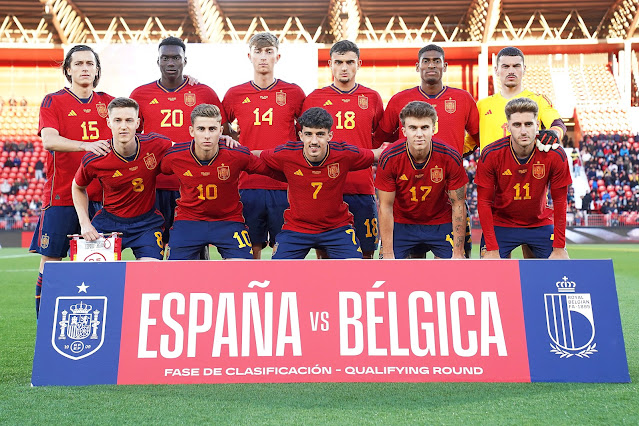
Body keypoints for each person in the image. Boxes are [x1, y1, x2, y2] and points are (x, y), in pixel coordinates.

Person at [29, 45, 114, 317]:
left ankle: (100, 322)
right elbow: (49, 140)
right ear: (68, 69)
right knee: (51, 261)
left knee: (99, 265)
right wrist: (86, 146)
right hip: (61, 195)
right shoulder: (53, 101)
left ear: (97, 70)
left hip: (101, 197)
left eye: (90, 63)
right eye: (78, 64)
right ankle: (44, 323)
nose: (85, 68)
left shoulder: (110, 103)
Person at [374, 43, 478, 257]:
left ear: (445, 66)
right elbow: (383, 135)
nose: (431, 65)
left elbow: (478, 137)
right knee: (407, 270)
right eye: (426, 61)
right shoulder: (399, 100)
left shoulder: (463, 98)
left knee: (458, 265)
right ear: (417, 66)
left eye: (436, 61)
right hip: (408, 192)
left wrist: (460, 152)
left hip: (446, 192)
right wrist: (398, 153)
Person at [130, 36, 227, 255]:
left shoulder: (204, 93)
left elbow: (223, 131)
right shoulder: (140, 95)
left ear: (185, 61)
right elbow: (131, 139)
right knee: (154, 248)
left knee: (196, 248)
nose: (171, 62)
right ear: (158, 62)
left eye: (176, 57)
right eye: (165, 58)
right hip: (154, 184)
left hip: (194, 185)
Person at [256, 107, 383, 259]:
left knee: (354, 270)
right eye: (309, 134)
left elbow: (377, 155)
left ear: (330, 135)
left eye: (320, 134)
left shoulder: (343, 153)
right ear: (300, 135)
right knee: (278, 274)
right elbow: (254, 155)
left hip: (336, 228)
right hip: (297, 229)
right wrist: (224, 144)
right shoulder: (286, 154)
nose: (314, 141)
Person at [160, 104, 284, 260]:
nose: (207, 135)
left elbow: (270, 171)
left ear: (220, 130)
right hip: (188, 221)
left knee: (242, 270)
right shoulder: (175, 156)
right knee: (174, 273)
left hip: (228, 222)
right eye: (201, 129)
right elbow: (156, 169)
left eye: (212, 129)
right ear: (192, 131)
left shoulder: (236, 154)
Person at [222, 32, 305, 259]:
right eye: (258, 52)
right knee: (251, 250)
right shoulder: (235, 94)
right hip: (248, 183)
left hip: (285, 183)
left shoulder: (294, 93)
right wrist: (231, 138)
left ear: (277, 56)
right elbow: (217, 124)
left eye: (268, 52)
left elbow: (308, 131)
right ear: (249, 56)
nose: (263, 57)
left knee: (285, 249)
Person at [302, 40, 384, 259]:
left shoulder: (372, 98)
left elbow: (380, 140)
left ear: (359, 64)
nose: (344, 67)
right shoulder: (314, 98)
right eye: (339, 62)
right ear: (331, 64)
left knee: (366, 250)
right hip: (326, 188)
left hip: (361, 187)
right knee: (325, 253)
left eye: (349, 62)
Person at [72, 97, 171, 260]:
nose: (123, 126)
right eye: (117, 120)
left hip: (146, 224)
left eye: (129, 120)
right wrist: (84, 223)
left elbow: (188, 150)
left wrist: (222, 140)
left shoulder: (156, 144)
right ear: (109, 122)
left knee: (150, 274)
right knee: (93, 277)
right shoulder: (95, 157)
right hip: (108, 223)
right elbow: (77, 187)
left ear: (137, 123)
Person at [475, 98, 571, 259]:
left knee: (559, 270)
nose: (523, 131)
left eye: (528, 124)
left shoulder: (555, 154)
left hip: (539, 223)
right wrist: (491, 248)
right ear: (508, 127)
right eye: (517, 125)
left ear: (537, 126)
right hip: (501, 223)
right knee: (490, 274)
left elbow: (560, 201)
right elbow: (484, 203)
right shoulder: (491, 154)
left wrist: (560, 247)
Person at [376, 101, 468, 259]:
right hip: (402, 223)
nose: (419, 134)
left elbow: (458, 205)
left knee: (453, 273)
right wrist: (388, 252)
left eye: (424, 127)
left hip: (440, 222)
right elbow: (385, 207)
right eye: (413, 128)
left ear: (434, 128)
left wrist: (458, 252)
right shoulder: (390, 157)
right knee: (390, 273)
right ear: (404, 131)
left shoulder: (450, 156)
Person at [472, 46, 566, 152]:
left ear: (524, 69)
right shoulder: (482, 105)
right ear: (496, 70)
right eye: (505, 66)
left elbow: (557, 123)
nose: (511, 71)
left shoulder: (538, 101)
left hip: (527, 167)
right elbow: (469, 143)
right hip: (491, 168)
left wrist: (554, 133)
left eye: (516, 66)